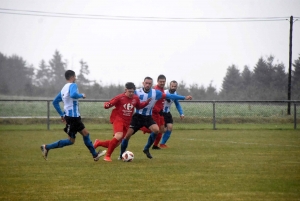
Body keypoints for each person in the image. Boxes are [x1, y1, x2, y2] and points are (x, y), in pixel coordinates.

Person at [120, 76, 192, 159]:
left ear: (152, 84)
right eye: (146, 83)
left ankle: (146, 149)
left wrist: (184, 97)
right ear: (143, 83)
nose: (147, 85)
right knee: (127, 136)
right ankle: (121, 155)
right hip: (137, 117)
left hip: (148, 117)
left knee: (157, 130)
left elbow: (170, 96)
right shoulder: (136, 92)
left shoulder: (156, 93)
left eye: (149, 83)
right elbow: (124, 96)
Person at [40, 70, 106, 161]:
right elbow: (74, 94)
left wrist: (62, 114)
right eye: (75, 76)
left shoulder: (64, 88)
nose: (75, 78)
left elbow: (55, 102)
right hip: (73, 118)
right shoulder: (73, 85)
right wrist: (82, 95)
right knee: (74, 139)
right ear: (72, 77)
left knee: (83, 135)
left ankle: (95, 155)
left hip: (71, 117)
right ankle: (46, 147)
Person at [93, 82, 151, 162]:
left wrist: (146, 103)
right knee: (119, 136)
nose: (131, 93)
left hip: (127, 122)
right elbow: (110, 103)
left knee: (116, 143)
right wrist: (106, 105)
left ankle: (98, 143)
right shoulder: (120, 97)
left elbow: (139, 106)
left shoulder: (135, 98)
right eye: (129, 91)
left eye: (132, 92)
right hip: (118, 119)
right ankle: (107, 156)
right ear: (125, 90)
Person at [160, 80, 184, 148]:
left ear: (177, 87)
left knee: (170, 128)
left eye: (175, 86)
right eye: (172, 86)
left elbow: (177, 105)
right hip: (161, 112)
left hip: (167, 113)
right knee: (162, 130)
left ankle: (162, 144)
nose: (173, 87)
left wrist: (181, 113)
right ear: (169, 86)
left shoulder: (175, 94)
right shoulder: (164, 92)